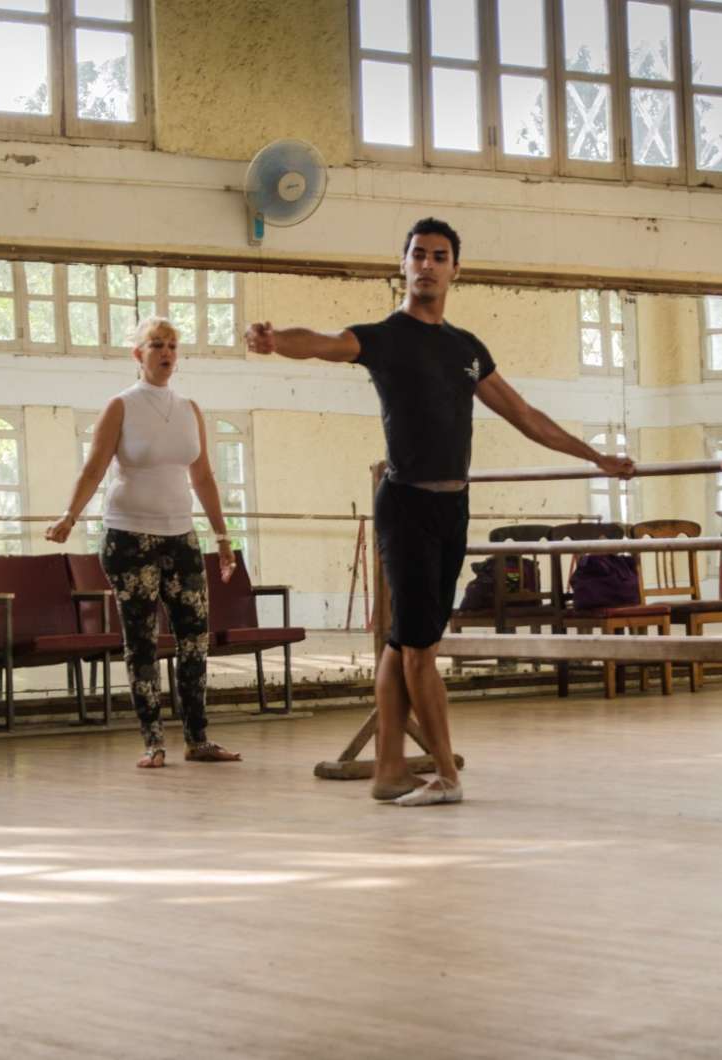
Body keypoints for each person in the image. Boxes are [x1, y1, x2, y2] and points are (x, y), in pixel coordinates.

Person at [246, 217, 635, 807]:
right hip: (405, 505)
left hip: (454, 506)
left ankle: (389, 770)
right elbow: (324, 342)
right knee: (422, 646)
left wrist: (596, 457)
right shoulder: (384, 336)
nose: (427, 265)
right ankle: (447, 778)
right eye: (418, 255)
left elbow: (524, 414)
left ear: (456, 269)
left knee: (403, 642)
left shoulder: (467, 349)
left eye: (439, 256)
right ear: (402, 265)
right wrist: (276, 341)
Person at [45, 317, 242, 770]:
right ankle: (153, 742)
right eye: (156, 345)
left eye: (172, 345)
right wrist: (69, 515)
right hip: (129, 538)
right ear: (139, 354)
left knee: (195, 640)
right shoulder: (121, 406)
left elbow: (205, 476)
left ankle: (198, 739)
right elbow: (93, 468)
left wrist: (223, 536)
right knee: (143, 642)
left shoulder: (190, 408)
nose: (166, 352)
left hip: (182, 537)